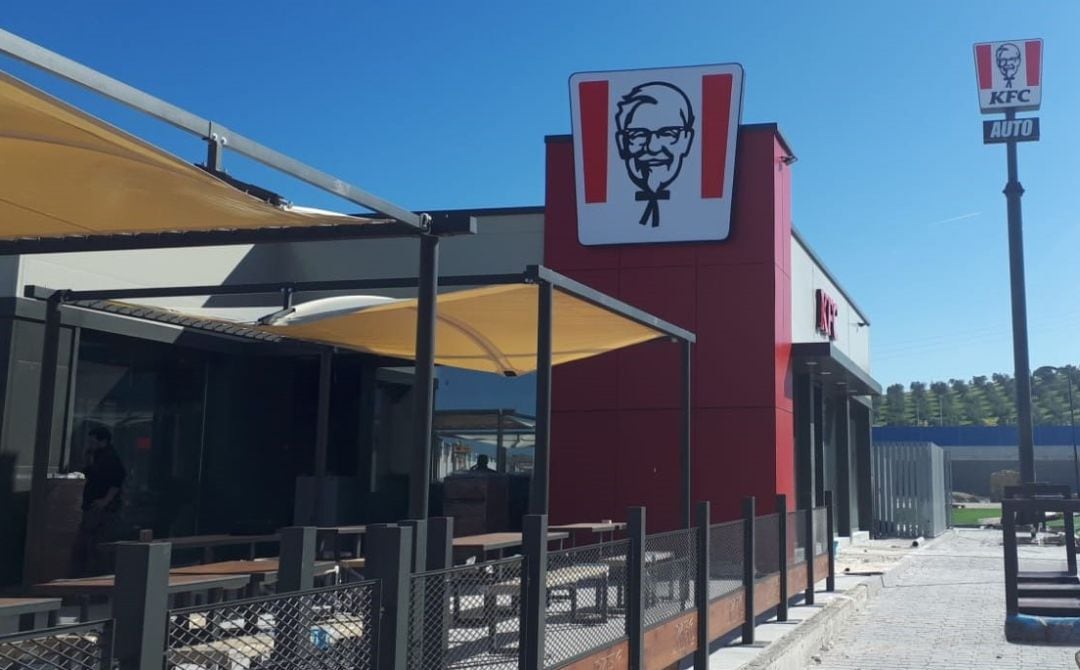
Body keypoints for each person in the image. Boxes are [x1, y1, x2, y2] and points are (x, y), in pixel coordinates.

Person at [72, 426, 126, 576]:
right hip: (94, 504)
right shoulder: (98, 456)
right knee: (91, 543)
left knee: (96, 543)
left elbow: (117, 480)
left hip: (101, 507)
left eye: (92, 440)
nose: (90, 443)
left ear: (103, 440)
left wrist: (105, 501)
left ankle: (99, 575)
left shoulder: (110, 457)